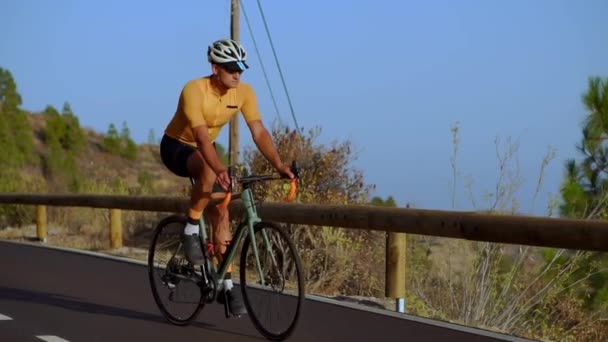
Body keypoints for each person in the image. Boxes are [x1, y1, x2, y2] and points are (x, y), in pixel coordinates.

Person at [159, 38, 295, 315]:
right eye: (231, 68)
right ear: (215, 67)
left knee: (222, 212)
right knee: (211, 170)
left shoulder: (244, 92)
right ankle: (190, 229)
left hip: (204, 151)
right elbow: (199, 137)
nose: (237, 74)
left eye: (241, 69)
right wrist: (220, 170)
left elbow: (258, 131)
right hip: (176, 146)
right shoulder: (194, 90)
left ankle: (228, 286)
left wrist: (279, 165)